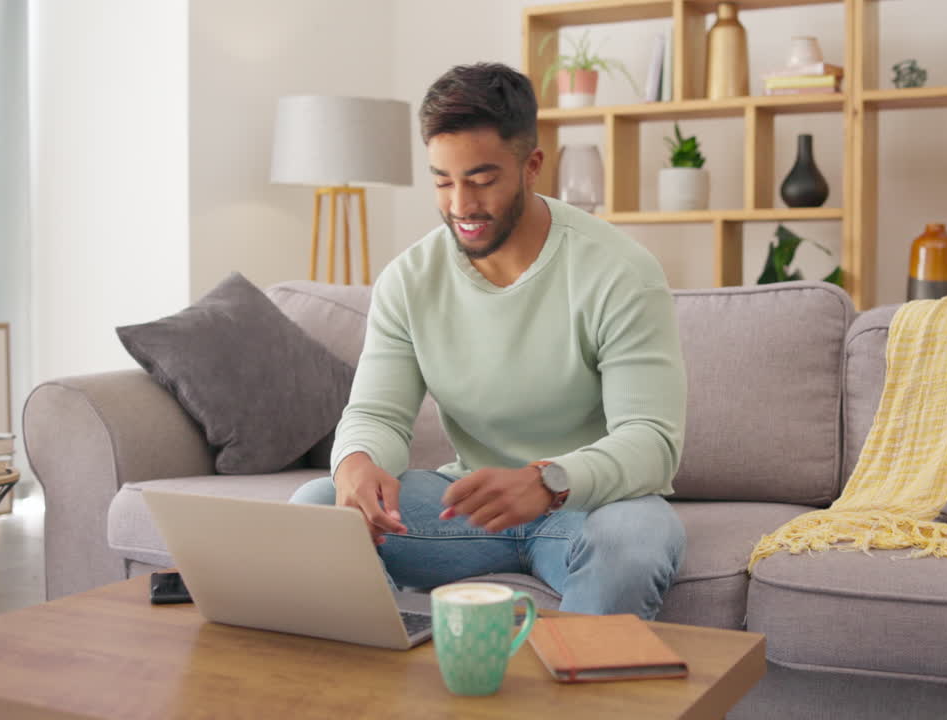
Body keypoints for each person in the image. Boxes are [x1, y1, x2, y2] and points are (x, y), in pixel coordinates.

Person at [289, 62, 687, 619]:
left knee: (635, 541)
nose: (460, 206)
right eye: (443, 181)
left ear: (531, 167)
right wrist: (355, 463)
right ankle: (383, 692)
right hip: (470, 513)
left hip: (594, 507)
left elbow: (652, 441)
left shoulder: (620, 271)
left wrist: (549, 482)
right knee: (316, 507)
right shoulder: (409, 279)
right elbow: (376, 413)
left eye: (480, 180)